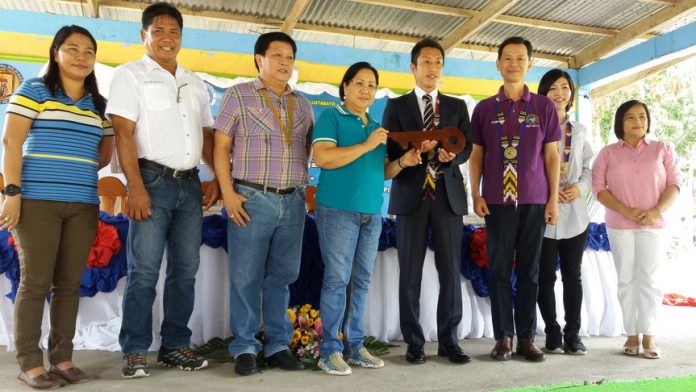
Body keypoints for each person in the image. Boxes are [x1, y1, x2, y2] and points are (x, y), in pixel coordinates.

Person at [106, 2, 218, 379]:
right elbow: (122, 132)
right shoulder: (129, 75)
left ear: (181, 38)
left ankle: (174, 345)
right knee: (144, 271)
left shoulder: (194, 81)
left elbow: (206, 136)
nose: (167, 38)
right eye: (159, 30)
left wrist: (217, 177)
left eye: (174, 31)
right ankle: (135, 349)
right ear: (144, 35)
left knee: (186, 271)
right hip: (150, 181)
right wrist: (133, 187)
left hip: (189, 184)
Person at [1, 25, 113, 388]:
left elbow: (105, 152)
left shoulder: (99, 105)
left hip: (83, 203)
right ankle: (29, 362)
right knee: (35, 282)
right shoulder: (34, 90)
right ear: (55, 53)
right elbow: (12, 141)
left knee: (68, 284)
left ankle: (62, 358)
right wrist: (12, 192)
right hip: (36, 202)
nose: (81, 57)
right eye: (73, 49)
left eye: (89, 51)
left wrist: (73, 169)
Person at [213, 32, 314, 376]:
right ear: (259, 59)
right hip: (251, 197)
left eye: (290, 57)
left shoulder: (302, 103)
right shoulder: (237, 95)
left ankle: (277, 344)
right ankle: (243, 346)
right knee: (245, 276)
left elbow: (319, 149)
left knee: (282, 276)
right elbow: (220, 148)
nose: (285, 62)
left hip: (294, 200)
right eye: (278, 55)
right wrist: (227, 193)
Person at [312, 62, 421, 375]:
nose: (365, 90)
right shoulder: (331, 116)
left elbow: (381, 171)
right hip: (337, 211)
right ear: (345, 86)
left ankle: (355, 346)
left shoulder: (376, 126)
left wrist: (403, 161)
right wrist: (366, 145)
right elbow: (323, 158)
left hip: (371, 213)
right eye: (359, 83)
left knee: (361, 282)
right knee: (337, 280)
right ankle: (329, 350)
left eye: (371, 85)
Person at [469, 36, 561, 362]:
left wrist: (552, 200)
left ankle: (526, 337)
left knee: (529, 271)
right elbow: (476, 155)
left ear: (529, 65)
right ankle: (503, 337)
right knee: (497, 271)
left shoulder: (543, 107)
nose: (513, 64)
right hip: (497, 199)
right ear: (498, 64)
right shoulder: (483, 109)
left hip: (535, 199)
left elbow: (551, 156)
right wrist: (475, 192)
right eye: (507, 58)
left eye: (520, 58)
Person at [382, 38, 473, 365]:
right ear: (413, 68)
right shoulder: (396, 106)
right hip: (410, 196)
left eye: (437, 62)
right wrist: (408, 155)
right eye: (426, 62)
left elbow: (467, 147)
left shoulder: (457, 106)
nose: (432, 68)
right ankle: (414, 343)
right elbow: (388, 151)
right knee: (410, 273)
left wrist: (453, 156)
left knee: (450, 271)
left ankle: (450, 341)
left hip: (448, 198)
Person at [592, 100, 680, 359]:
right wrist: (625, 210)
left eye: (642, 116)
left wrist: (656, 211)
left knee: (650, 280)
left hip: (653, 225)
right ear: (620, 122)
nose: (637, 122)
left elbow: (674, 184)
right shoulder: (607, 153)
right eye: (630, 117)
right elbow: (598, 188)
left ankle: (650, 335)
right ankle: (631, 333)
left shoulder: (662, 149)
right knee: (626, 280)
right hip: (620, 225)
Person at [536, 69, 594, 355]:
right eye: (552, 88)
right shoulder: (535, 128)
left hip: (574, 215)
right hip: (544, 213)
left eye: (564, 87)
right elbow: (529, 168)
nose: (559, 93)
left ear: (571, 93)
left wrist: (580, 187)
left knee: (573, 275)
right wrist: (549, 189)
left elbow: (589, 168)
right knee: (544, 276)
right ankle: (552, 332)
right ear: (543, 93)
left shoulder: (579, 131)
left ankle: (573, 334)